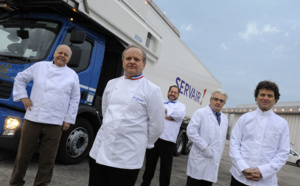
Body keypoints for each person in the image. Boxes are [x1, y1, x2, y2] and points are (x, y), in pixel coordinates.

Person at [89, 44, 165, 186]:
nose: (132, 61)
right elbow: (106, 110)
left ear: (144, 64)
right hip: (100, 150)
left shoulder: (152, 90)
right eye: (128, 58)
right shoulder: (112, 83)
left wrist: (142, 142)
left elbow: (157, 125)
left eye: (136, 59)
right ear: (123, 61)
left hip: (127, 156)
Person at [10, 44, 80, 186]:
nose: (62, 56)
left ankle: (41, 184)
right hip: (33, 118)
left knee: (48, 159)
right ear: (54, 53)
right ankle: (15, 182)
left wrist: (68, 120)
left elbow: (74, 99)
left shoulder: (72, 75)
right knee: (23, 155)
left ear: (69, 59)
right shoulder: (40, 66)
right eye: (60, 52)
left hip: (55, 123)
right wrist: (23, 97)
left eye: (66, 55)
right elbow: (20, 78)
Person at [229, 80, 290, 186]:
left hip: (265, 182)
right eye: (262, 94)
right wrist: (243, 167)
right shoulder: (245, 118)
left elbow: (283, 152)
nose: (265, 98)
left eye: (270, 96)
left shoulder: (282, 124)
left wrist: (263, 171)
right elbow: (234, 144)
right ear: (256, 97)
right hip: (239, 178)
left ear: (275, 99)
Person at [141, 85, 186, 186]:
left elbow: (179, 115)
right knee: (149, 166)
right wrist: (170, 116)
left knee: (165, 169)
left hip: (168, 142)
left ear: (178, 95)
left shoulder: (181, 106)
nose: (172, 94)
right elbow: (152, 113)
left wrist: (163, 112)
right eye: (171, 91)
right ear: (168, 92)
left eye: (175, 92)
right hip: (154, 139)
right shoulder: (161, 102)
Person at [186, 89, 228, 186]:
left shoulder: (224, 119)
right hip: (199, 160)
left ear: (224, 103)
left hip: (213, 162)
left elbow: (220, 140)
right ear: (210, 100)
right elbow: (191, 132)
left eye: (221, 101)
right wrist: (205, 147)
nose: (218, 102)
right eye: (216, 99)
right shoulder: (200, 113)